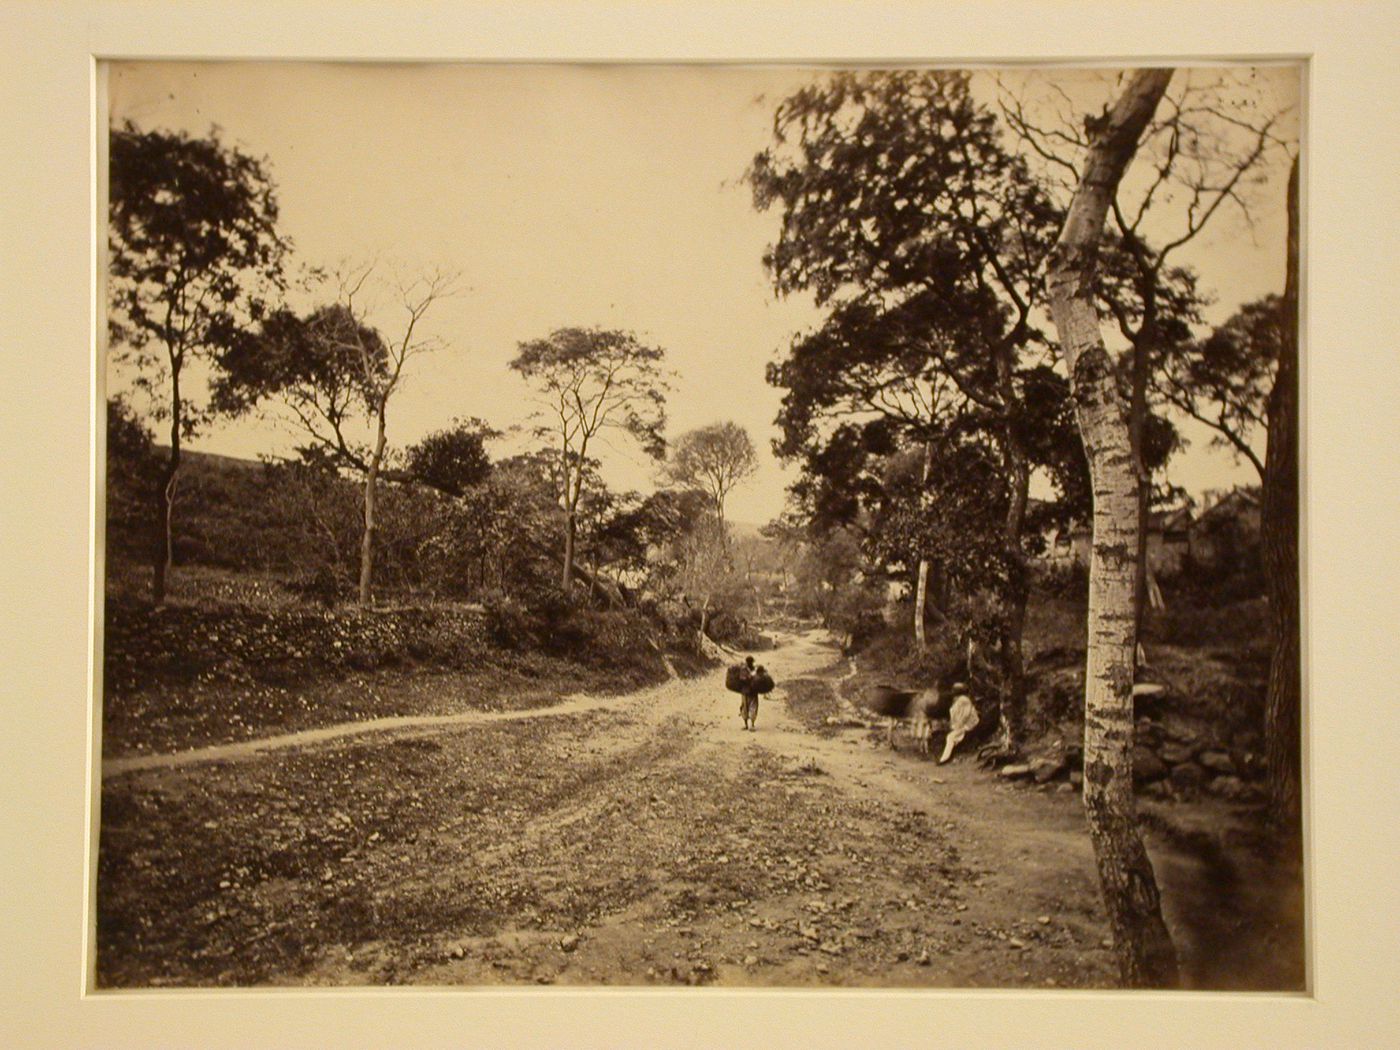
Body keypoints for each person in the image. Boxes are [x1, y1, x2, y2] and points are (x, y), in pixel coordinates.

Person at [939, 683, 980, 764]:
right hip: (963, 724)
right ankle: (947, 757)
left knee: (950, 737)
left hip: (968, 724)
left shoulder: (963, 700)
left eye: (954, 690)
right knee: (952, 737)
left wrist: (958, 725)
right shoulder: (959, 700)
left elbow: (965, 715)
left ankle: (944, 758)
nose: (953, 692)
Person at [743, 663, 773, 732]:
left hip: (745, 693)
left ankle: (746, 725)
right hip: (753, 694)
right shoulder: (757, 676)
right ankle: (752, 725)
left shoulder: (747, 672)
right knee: (753, 708)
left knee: (745, 707)